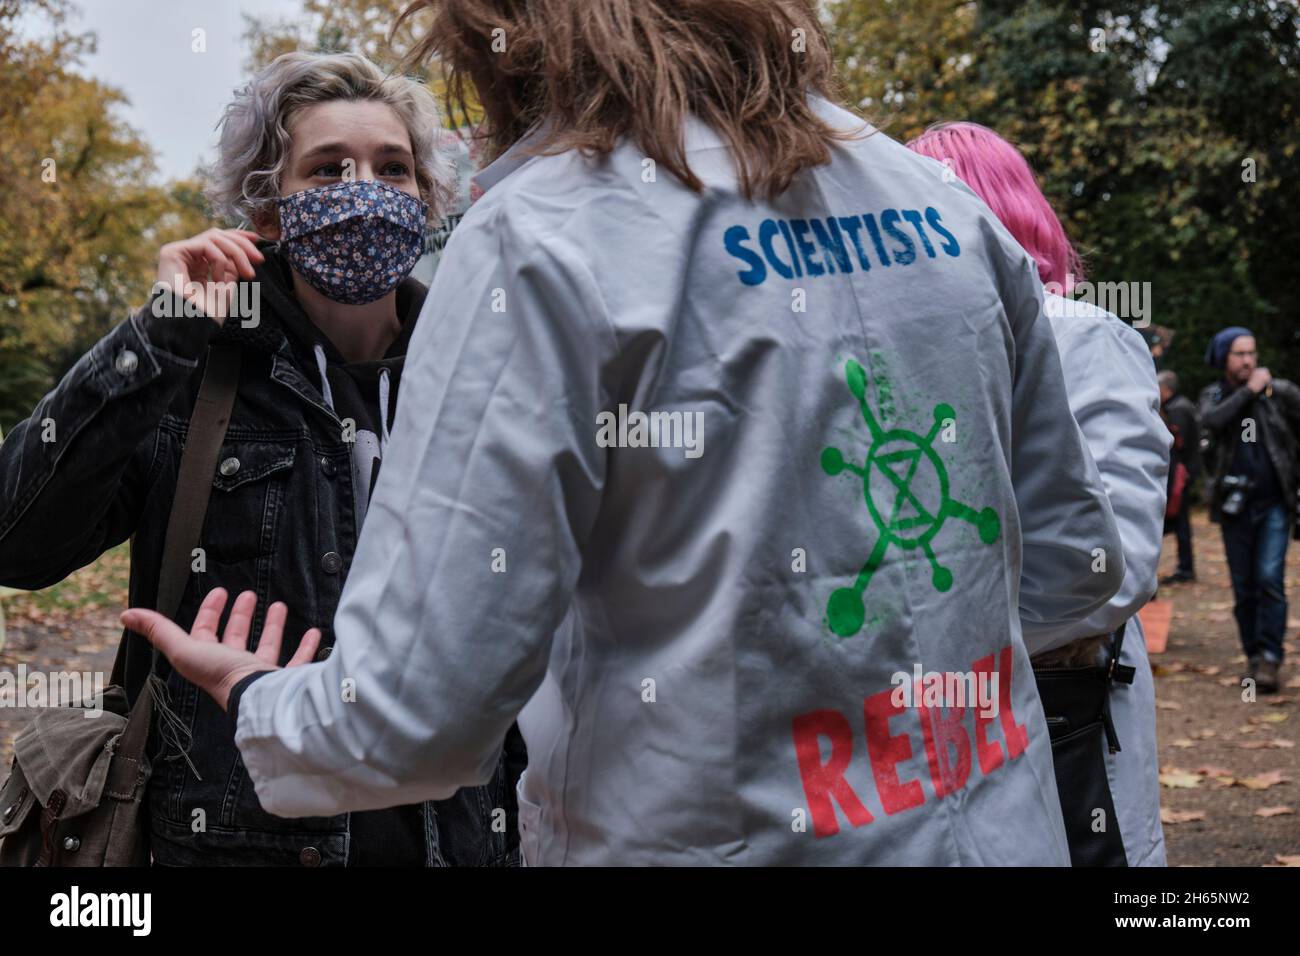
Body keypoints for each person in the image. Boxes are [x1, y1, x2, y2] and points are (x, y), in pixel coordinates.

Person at [124, 0, 1125, 865]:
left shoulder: (541, 235)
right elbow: (1071, 574)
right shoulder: (943, 207)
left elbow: (412, 721)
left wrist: (260, 696)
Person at [0, 51, 522, 866]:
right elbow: (18, 541)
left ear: (427, 198)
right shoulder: (190, 377)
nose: (367, 189)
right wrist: (158, 335)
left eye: (394, 168)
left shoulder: (486, 377)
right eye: (328, 169)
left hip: (455, 839)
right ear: (269, 210)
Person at [906, 122, 1169, 867]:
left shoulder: (1086, 337)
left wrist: (957, 636)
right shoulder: (917, 345)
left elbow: (1119, 565)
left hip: (1067, 706)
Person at [1198, 327, 1300, 694]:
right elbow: (1211, 423)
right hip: (1234, 508)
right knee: (1244, 588)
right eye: (1239, 354)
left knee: (1269, 579)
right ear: (1224, 358)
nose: (1248, 361)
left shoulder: (1280, 394)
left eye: (1252, 353)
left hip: (1274, 503)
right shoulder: (1213, 396)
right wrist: (1249, 391)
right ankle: (1254, 656)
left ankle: (1271, 658)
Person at [1157, 370, 1201, 584]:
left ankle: (1186, 568)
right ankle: (1185, 566)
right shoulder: (1178, 406)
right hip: (1183, 471)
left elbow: (1178, 442)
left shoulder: (1177, 409)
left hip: (1181, 473)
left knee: (1179, 521)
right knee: (1178, 521)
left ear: (1167, 389)